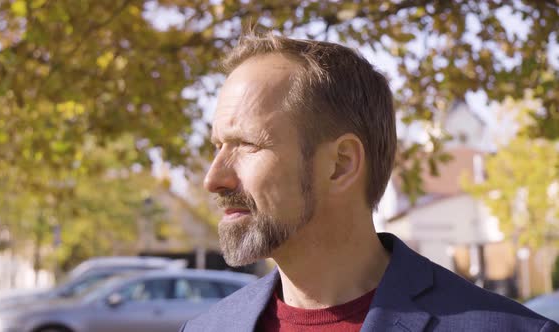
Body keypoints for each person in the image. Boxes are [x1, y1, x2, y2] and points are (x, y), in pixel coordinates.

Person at [180, 32, 559, 332]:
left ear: (341, 164)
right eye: (217, 146)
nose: (214, 179)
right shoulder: (206, 328)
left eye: (246, 144)